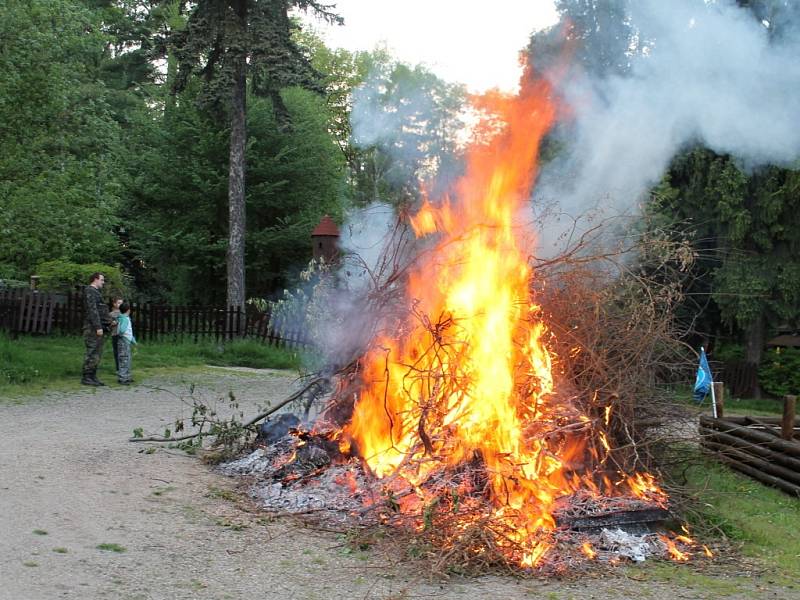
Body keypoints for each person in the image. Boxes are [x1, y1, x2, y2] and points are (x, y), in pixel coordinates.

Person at [82, 272, 112, 386]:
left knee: (97, 352)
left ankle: (93, 376)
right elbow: (92, 310)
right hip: (92, 328)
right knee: (92, 351)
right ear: (95, 279)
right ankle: (87, 376)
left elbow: (101, 310)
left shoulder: (96, 292)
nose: (103, 282)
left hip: (99, 326)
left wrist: (109, 322)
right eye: (102, 280)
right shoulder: (89, 291)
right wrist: (98, 326)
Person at [116, 301, 136, 385]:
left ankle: (127, 376)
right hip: (123, 341)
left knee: (127, 359)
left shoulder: (125, 318)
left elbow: (129, 331)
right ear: (128, 310)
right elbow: (122, 330)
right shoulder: (124, 319)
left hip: (126, 341)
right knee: (124, 359)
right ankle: (122, 378)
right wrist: (122, 334)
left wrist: (133, 341)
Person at [109, 297, 123, 376]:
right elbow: (108, 325)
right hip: (115, 335)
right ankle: (118, 369)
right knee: (117, 352)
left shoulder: (124, 313)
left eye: (121, 303)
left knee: (124, 352)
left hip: (123, 335)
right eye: (119, 303)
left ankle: (124, 368)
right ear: (114, 304)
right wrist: (112, 324)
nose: (120, 305)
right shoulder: (111, 314)